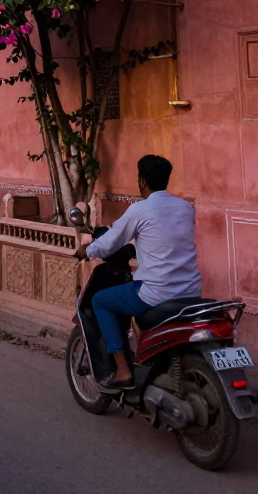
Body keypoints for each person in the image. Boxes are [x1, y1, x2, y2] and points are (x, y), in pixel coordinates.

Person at [74, 154, 201, 390]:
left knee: (101, 300)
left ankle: (122, 369)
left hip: (156, 292)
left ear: (142, 181)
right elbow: (165, 239)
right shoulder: (185, 207)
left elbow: (111, 241)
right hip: (191, 290)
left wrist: (87, 250)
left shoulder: (140, 209)